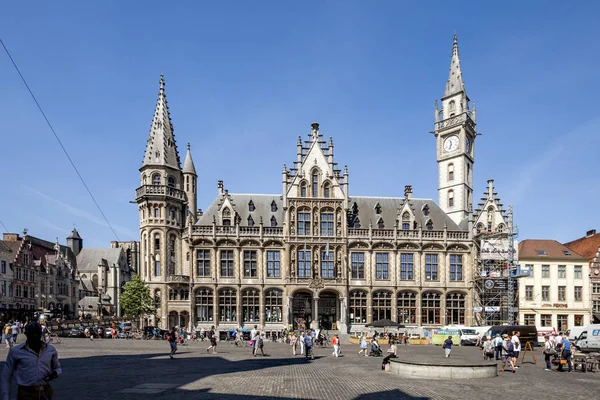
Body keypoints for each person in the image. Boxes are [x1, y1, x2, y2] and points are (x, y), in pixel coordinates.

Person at [1, 321, 62, 399]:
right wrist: (5, 397)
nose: (35, 336)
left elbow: (57, 367)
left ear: (41, 333)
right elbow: (6, 376)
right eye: (32, 334)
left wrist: (55, 373)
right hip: (26, 393)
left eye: (38, 334)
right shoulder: (16, 351)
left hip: (45, 392)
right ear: (26, 334)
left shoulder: (50, 350)